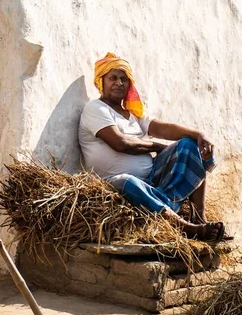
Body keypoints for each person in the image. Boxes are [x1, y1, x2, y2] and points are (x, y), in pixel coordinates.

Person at [78, 51, 228, 242]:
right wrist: (157, 147)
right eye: (112, 78)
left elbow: (162, 129)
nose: (119, 83)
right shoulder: (95, 108)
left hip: (153, 179)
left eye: (124, 79)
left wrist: (197, 135)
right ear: (101, 82)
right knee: (126, 181)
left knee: (189, 145)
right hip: (114, 183)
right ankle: (185, 228)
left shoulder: (132, 113)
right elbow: (120, 143)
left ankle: (199, 218)